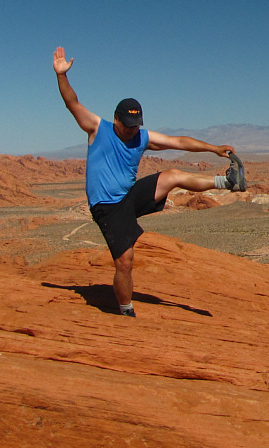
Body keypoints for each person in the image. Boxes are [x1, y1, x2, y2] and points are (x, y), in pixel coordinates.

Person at [53, 46, 245, 318]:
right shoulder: (98, 127)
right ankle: (125, 311)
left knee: (173, 176)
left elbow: (179, 142)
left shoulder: (142, 137)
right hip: (108, 207)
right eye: (127, 124)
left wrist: (213, 148)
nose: (132, 130)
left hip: (129, 196)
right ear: (116, 118)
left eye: (136, 124)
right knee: (125, 260)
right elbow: (72, 102)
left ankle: (227, 182)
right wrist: (62, 76)